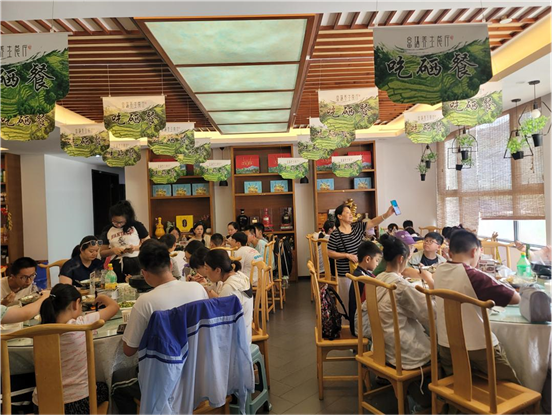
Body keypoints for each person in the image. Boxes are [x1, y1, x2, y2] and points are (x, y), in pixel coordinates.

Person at [111, 240, 208, 415]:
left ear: (144, 273)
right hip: (200, 372)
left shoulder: (145, 302)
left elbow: (129, 350)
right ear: (170, 264)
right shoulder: (197, 288)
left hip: (165, 380)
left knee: (117, 381)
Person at [433, 230, 520, 384]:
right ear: (475, 251)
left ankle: (461, 399)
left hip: (446, 346)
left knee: (462, 383)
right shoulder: (474, 276)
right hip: (479, 348)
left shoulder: (439, 270)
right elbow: (515, 298)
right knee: (511, 385)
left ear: (450, 252)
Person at [34, 284, 119, 415]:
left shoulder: (39, 330)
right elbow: (114, 307)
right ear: (76, 304)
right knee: (103, 387)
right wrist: (103, 297)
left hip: (41, 405)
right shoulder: (81, 324)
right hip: (77, 404)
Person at [374, 234, 433, 409]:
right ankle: (427, 401)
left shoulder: (378, 279)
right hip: (401, 351)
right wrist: (430, 282)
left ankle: (417, 395)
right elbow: (429, 314)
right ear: (401, 259)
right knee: (444, 350)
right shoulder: (400, 286)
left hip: (381, 346)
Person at [327, 203, 395, 316]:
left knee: (361, 299)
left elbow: (373, 222)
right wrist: (347, 255)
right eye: (347, 213)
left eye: (351, 213)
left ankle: (359, 321)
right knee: (347, 302)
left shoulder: (357, 227)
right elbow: (330, 253)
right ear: (339, 216)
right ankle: (348, 323)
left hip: (361, 271)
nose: (350, 215)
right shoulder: (335, 234)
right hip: (345, 273)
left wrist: (387, 214)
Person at [202, 249, 253, 344]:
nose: (205, 272)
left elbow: (220, 320)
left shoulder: (229, 288)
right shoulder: (239, 275)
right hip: (245, 334)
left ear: (218, 270)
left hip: (236, 342)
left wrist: (214, 297)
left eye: (206, 268)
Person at [100, 200, 149, 282]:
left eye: (121, 222)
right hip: (116, 264)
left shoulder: (136, 226)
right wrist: (113, 250)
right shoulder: (107, 229)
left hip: (136, 262)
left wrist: (135, 248)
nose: (118, 225)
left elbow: (148, 245)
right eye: (115, 222)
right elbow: (102, 252)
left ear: (127, 218)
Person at [349, 241, 382, 337]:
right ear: (367, 259)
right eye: (376, 260)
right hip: (360, 326)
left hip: (357, 321)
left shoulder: (360, 273)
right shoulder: (363, 279)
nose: (377, 264)